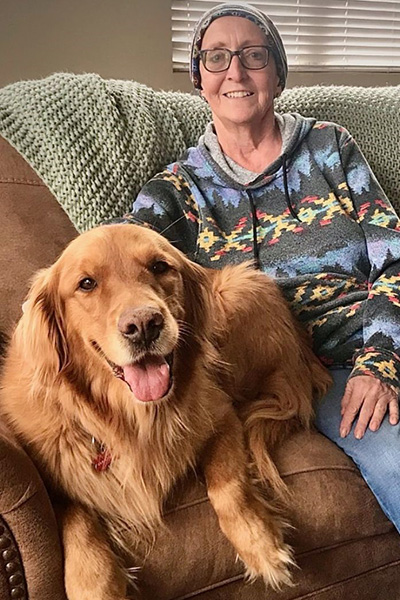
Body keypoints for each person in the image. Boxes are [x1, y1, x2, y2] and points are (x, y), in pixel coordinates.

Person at [121, 2, 400, 530]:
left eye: (253, 54)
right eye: (217, 57)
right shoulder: (180, 189)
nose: (236, 71)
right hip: (318, 366)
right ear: (200, 78)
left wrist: (381, 361)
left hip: (379, 342)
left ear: (277, 72)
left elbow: (395, 256)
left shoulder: (330, 145)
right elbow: (115, 265)